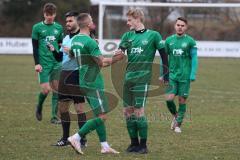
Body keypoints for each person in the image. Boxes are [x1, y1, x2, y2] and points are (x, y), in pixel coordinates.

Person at [67, 13, 123, 154]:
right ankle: (76, 137)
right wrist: (117, 58)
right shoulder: (90, 42)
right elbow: (102, 62)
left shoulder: (75, 40)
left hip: (83, 81)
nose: (93, 23)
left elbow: (72, 55)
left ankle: (104, 146)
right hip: (93, 83)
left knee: (98, 115)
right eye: (92, 21)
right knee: (102, 116)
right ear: (87, 24)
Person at [118, 8, 168, 154]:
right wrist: (116, 54)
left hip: (142, 78)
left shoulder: (153, 35)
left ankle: (143, 145)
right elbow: (120, 52)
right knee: (127, 111)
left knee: (139, 111)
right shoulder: (127, 36)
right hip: (128, 78)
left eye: (129, 20)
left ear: (137, 18)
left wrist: (166, 73)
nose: (127, 23)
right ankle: (133, 144)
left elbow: (164, 55)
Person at [48, 11, 87, 147]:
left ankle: (82, 139)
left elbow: (88, 58)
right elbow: (60, 58)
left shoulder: (83, 38)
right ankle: (65, 139)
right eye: (67, 21)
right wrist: (54, 50)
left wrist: (71, 52)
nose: (67, 24)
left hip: (77, 75)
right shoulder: (65, 38)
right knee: (63, 108)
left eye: (70, 21)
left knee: (80, 109)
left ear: (77, 21)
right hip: (64, 74)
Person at [164, 17, 198, 133]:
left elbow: (194, 59)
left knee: (182, 101)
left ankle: (178, 125)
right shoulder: (169, 41)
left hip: (185, 76)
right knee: (168, 99)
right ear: (175, 26)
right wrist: (163, 74)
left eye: (182, 25)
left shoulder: (190, 41)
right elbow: (165, 59)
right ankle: (176, 115)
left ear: (186, 27)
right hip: (172, 76)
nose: (180, 27)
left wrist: (192, 74)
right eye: (178, 25)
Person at [31, 2, 63, 124]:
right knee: (45, 90)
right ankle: (39, 106)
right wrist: (37, 63)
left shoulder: (59, 28)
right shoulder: (37, 28)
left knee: (56, 89)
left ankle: (54, 117)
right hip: (43, 64)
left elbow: (60, 44)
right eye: (47, 14)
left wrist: (60, 56)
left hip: (56, 63)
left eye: (52, 14)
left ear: (55, 14)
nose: (49, 17)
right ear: (44, 14)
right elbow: (34, 47)